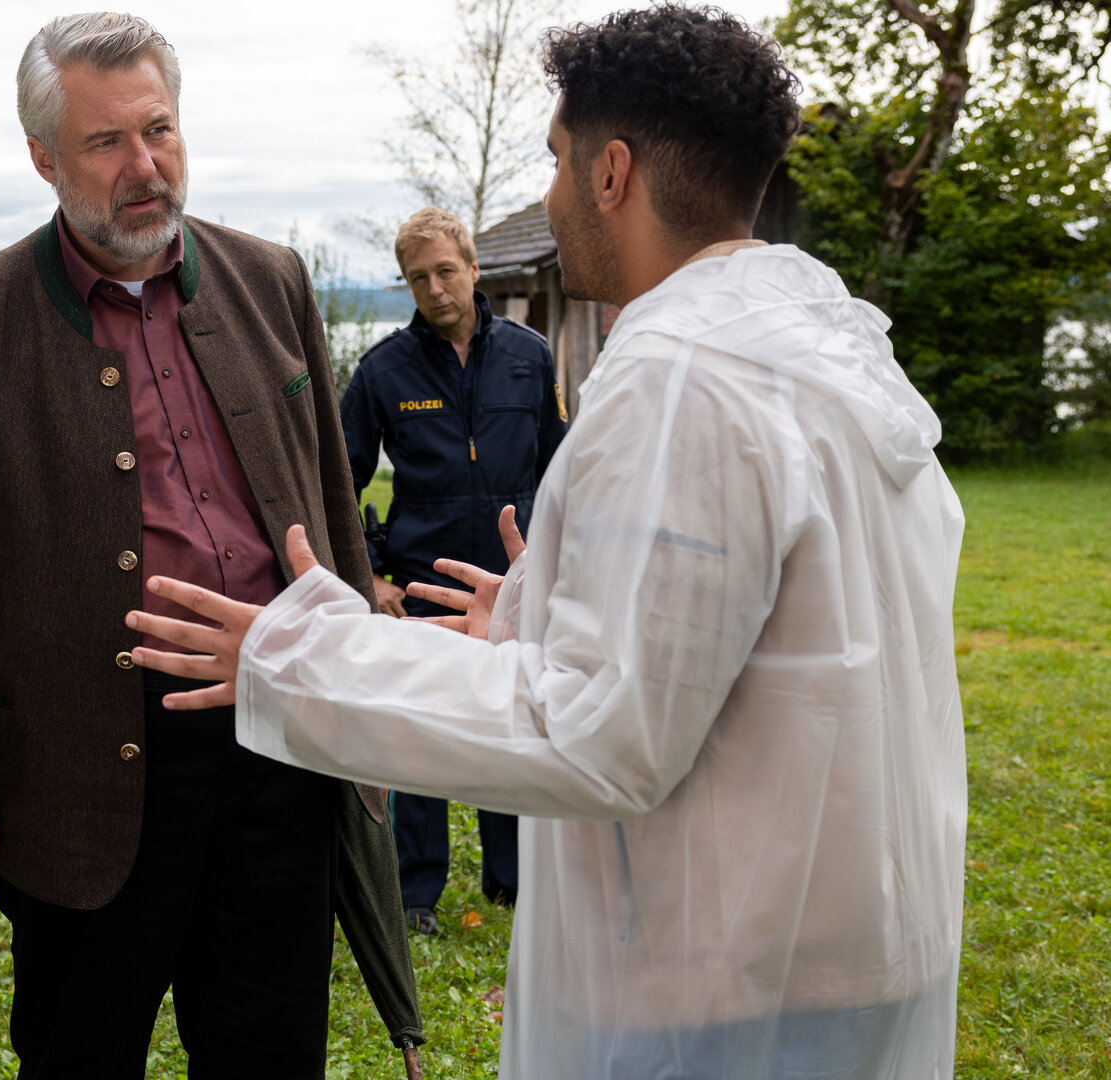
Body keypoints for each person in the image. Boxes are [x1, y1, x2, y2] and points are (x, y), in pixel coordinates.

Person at [128, 7, 967, 1078]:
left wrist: (292, 655)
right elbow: (770, 637)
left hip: (717, 982)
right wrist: (533, 617)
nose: (552, 195)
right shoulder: (825, 357)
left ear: (611, 171)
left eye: (554, 161)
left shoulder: (680, 381)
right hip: (847, 931)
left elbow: (599, 732)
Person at [0, 13, 422, 1079]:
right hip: (80, 772)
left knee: (268, 1052)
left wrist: (359, 681)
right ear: (43, 157)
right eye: (104, 143)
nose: (144, 166)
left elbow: (328, 499)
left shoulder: (272, 279)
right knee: (79, 1053)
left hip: (275, 741)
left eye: (159, 131)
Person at [342, 206, 567, 928]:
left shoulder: (530, 356)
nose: (434, 288)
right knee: (423, 731)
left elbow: (560, 469)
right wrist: (370, 576)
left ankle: (510, 879)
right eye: (417, 277)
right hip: (423, 583)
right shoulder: (381, 370)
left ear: (473, 269)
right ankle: (415, 892)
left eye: (445, 271)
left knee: (511, 720)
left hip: (512, 582)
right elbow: (337, 480)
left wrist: (557, 566)